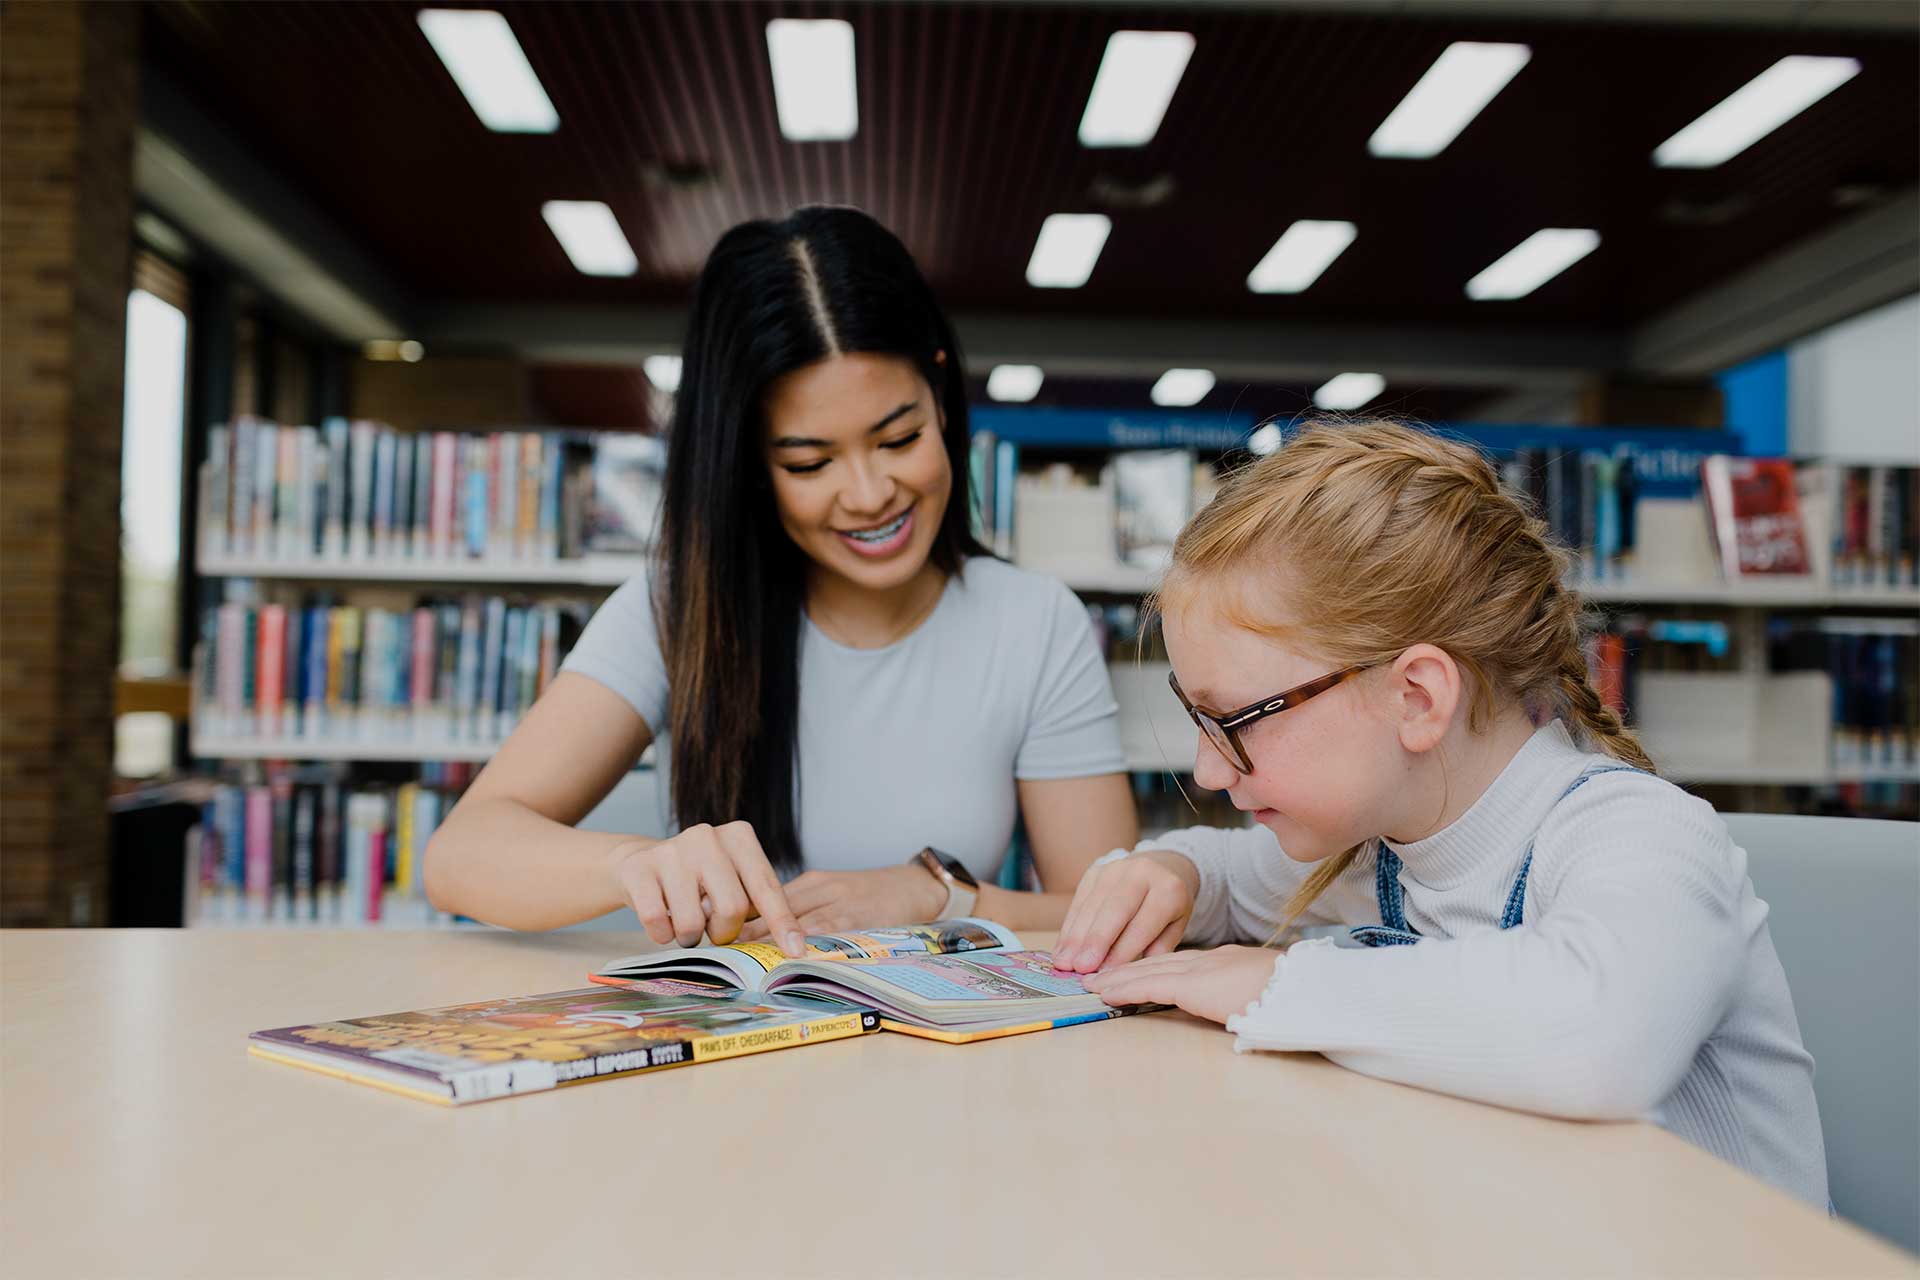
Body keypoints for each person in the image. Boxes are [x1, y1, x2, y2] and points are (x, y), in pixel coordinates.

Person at [1051, 420, 1829, 1209]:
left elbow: (1602, 1038)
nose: (1209, 770)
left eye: (1236, 722)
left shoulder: (1640, 833)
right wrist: (1165, 872)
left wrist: (1279, 982)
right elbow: (1225, 876)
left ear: (1418, 698)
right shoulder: (1380, 847)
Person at [424, 206, 1137, 952]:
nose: (868, 495)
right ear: (750, 466)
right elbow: (459, 856)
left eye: (900, 438)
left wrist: (937, 894)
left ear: (939, 392)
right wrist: (639, 864)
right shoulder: (679, 606)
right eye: (809, 463)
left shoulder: (1034, 621)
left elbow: (1110, 905)